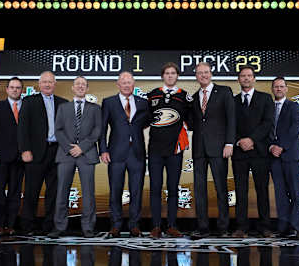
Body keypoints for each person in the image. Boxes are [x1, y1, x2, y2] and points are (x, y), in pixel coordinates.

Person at [48, 76, 101, 238]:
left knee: (88, 193)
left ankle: (88, 227)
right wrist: (70, 148)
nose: (80, 87)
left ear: (87, 88)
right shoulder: (63, 108)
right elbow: (58, 130)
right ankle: (59, 226)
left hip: (87, 154)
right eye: (77, 84)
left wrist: (82, 147)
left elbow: (97, 131)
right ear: (72, 88)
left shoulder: (95, 108)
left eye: (83, 84)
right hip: (66, 154)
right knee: (62, 190)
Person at [99, 72, 149, 238]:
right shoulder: (109, 102)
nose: (127, 85)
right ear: (118, 84)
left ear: (133, 84)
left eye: (129, 82)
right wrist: (103, 150)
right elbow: (102, 128)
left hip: (137, 153)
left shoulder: (143, 103)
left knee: (136, 191)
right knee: (115, 190)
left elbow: (147, 123)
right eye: (124, 83)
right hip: (115, 153)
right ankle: (116, 225)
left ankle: (134, 226)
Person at [17, 71, 67, 235]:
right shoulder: (29, 101)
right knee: (32, 191)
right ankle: (28, 226)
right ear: (39, 84)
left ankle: (50, 226)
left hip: (57, 152)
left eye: (50, 82)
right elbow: (22, 128)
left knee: (54, 192)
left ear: (55, 84)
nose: (47, 84)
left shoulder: (63, 103)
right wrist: (25, 149)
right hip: (35, 152)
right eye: (44, 82)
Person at [147, 62, 193, 238]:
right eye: (167, 73)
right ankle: (156, 227)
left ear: (177, 76)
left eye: (173, 73)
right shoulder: (152, 96)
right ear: (162, 76)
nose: (170, 76)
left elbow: (192, 121)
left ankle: (172, 225)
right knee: (155, 188)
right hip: (155, 150)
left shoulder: (185, 97)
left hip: (175, 150)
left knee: (173, 188)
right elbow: (145, 119)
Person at [190, 62, 236, 238]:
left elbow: (231, 119)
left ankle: (223, 227)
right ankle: (202, 227)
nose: (203, 75)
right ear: (196, 76)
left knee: (221, 187)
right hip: (199, 150)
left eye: (206, 72)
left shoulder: (224, 91)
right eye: (200, 73)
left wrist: (229, 143)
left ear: (211, 73)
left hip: (219, 148)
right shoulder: (194, 97)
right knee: (199, 189)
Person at [232, 65, 274, 238]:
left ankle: (265, 227)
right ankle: (241, 227)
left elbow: (267, 122)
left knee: (262, 190)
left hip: (259, 151)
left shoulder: (265, 98)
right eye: (243, 76)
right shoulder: (232, 101)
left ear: (254, 79)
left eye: (249, 76)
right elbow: (229, 125)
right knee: (240, 191)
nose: (246, 78)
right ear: (239, 79)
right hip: (239, 152)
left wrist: (252, 140)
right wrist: (239, 141)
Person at [0, 77, 24, 237]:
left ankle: (10, 225)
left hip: (20, 158)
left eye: (18, 87)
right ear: (7, 89)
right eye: (12, 87)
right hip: (0, 158)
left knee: (15, 193)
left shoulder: (28, 107)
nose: (15, 90)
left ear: (22, 90)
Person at [269, 77, 299, 239]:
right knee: (280, 193)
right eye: (276, 87)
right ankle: (282, 227)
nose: (279, 89)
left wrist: (281, 146)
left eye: (281, 86)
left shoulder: (294, 107)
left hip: (291, 155)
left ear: (286, 89)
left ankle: (294, 226)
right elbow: (265, 129)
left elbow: (295, 128)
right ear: (272, 89)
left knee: (294, 192)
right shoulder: (268, 107)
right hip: (273, 157)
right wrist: (271, 146)